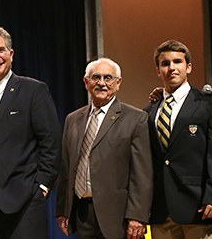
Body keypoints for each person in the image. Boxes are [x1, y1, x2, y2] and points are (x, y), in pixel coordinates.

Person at [0, 25, 61, 239]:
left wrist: (42, 187)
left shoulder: (33, 91)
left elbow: (51, 142)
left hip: (24, 200)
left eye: (1, 50)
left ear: (11, 54)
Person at [55, 58, 152, 239]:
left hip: (119, 217)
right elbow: (66, 167)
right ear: (86, 82)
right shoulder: (73, 119)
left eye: (108, 78)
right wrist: (62, 209)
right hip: (82, 213)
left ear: (118, 83)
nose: (101, 83)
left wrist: (137, 216)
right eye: (96, 77)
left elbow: (142, 174)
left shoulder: (135, 119)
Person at [143, 41, 212, 239]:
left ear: (188, 67)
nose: (171, 68)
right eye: (165, 63)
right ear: (158, 70)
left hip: (199, 207)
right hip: (161, 210)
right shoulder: (149, 112)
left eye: (177, 62)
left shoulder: (209, 105)